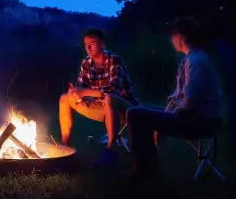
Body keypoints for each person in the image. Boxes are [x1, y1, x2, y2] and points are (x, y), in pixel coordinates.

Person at [125, 17, 223, 178]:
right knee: (138, 110)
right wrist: (166, 114)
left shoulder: (196, 62)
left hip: (199, 121)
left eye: (173, 36)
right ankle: (145, 165)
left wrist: (167, 119)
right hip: (192, 116)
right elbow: (178, 96)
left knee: (136, 114)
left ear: (180, 37)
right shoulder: (191, 59)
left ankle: (145, 169)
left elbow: (188, 103)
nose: (172, 40)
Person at [59, 27, 138, 166]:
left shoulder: (114, 60)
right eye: (86, 44)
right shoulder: (86, 63)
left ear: (102, 43)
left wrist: (84, 92)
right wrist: (75, 91)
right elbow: (80, 87)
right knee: (65, 98)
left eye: (92, 43)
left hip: (124, 108)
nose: (88, 47)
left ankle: (111, 149)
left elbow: (113, 90)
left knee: (109, 98)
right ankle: (65, 146)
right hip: (101, 106)